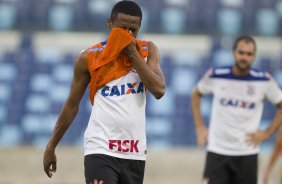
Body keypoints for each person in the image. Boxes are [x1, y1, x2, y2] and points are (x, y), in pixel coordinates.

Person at [43, 1, 166, 184]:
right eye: (122, 28)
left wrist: (133, 55)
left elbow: (159, 90)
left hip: (135, 153)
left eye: (133, 29)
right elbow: (72, 104)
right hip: (100, 149)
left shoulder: (148, 50)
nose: (128, 34)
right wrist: (51, 145)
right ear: (109, 23)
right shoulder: (89, 57)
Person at [190, 35, 282, 184]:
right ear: (233, 53)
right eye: (241, 52)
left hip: (247, 153)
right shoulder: (216, 75)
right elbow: (195, 95)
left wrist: (267, 133)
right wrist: (200, 127)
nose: (244, 57)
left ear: (254, 56)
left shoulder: (264, 80)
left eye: (249, 54)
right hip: (217, 151)